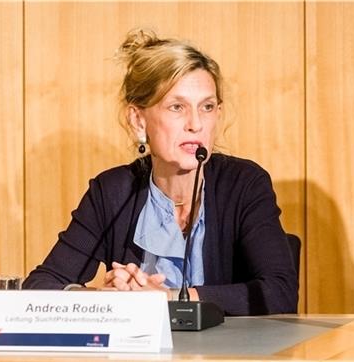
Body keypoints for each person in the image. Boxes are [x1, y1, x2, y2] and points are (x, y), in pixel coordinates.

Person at [23, 29, 298, 316]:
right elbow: (40, 286)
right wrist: (110, 300)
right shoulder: (113, 192)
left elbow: (279, 293)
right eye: (177, 107)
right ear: (139, 121)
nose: (195, 123)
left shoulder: (244, 185)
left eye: (207, 107)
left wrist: (166, 298)